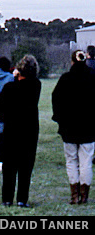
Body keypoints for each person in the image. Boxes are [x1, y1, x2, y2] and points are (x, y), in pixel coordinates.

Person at [0, 54, 41, 208]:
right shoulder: (36, 86)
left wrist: (6, 117)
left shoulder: (9, 87)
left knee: (9, 167)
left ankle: (7, 199)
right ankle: (22, 199)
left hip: (12, 129)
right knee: (26, 166)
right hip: (30, 130)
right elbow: (28, 84)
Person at [52, 48, 95, 205]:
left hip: (69, 128)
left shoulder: (65, 79)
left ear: (72, 61)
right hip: (89, 128)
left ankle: (74, 196)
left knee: (71, 161)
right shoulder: (93, 77)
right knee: (86, 162)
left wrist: (59, 120)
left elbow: (55, 100)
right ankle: (84, 196)